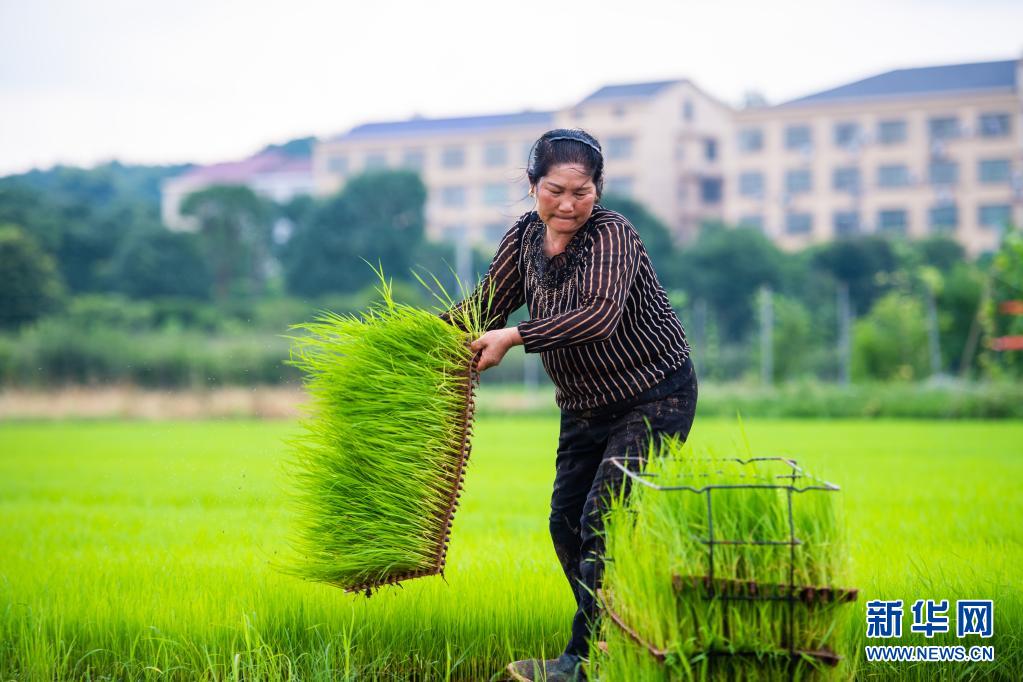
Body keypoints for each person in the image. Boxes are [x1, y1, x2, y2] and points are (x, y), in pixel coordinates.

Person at [443, 128, 697, 682]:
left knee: (603, 519)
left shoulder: (613, 235)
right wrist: (420, 342)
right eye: (555, 190)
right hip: (585, 404)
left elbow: (599, 315)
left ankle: (580, 662)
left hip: (655, 395)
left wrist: (514, 338)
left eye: (581, 192)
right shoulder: (524, 240)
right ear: (533, 185)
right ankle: (619, 635)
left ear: (598, 189)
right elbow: (486, 305)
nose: (568, 205)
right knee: (565, 523)